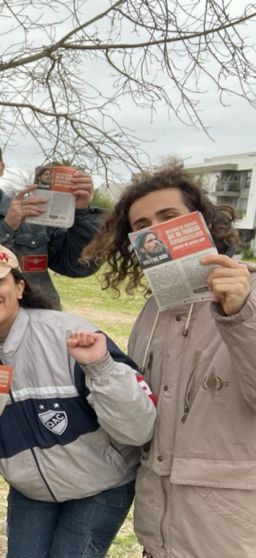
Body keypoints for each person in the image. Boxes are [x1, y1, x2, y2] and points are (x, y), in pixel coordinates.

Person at [0, 242, 156, 558]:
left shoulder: (70, 333)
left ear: (19, 286)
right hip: (30, 492)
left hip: (101, 485)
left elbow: (140, 429)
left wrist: (100, 368)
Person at [81, 163, 256, 558]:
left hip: (230, 537)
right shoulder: (154, 312)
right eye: (141, 225)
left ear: (204, 221)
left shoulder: (250, 293)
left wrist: (242, 313)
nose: (155, 231)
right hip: (158, 532)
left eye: (168, 217)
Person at [0, 134, 102, 310]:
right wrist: (6, 228)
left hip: (40, 327)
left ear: (2, 168)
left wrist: (81, 213)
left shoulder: (34, 214)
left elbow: (78, 266)